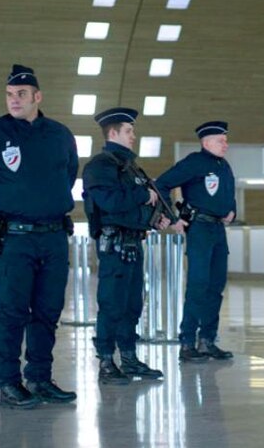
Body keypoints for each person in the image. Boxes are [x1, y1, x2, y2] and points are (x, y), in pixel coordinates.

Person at [0, 64, 79, 408]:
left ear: (37, 97)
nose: (14, 100)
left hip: (54, 237)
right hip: (14, 239)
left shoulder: (59, 134)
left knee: (47, 311)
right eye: (10, 95)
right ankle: (9, 382)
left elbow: (68, 174)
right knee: (12, 312)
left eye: (22, 94)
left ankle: (40, 378)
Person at [83, 107, 171, 385]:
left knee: (133, 304)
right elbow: (110, 203)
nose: (134, 136)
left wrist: (153, 219)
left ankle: (129, 358)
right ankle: (107, 361)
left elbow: (140, 204)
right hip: (114, 244)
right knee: (111, 303)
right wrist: (142, 195)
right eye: (129, 131)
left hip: (134, 241)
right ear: (113, 133)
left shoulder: (131, 167)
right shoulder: (101, 166)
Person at [155, 121, 237, 362]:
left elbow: (229, 194)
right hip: (200, 228)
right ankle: (187, 342)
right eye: (221, 140)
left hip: (218, 230)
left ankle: (207, 340)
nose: (226, 144)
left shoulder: (224, 166)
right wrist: (173, 218)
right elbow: (161, 184)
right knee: (198, 286)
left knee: (216, 287)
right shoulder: (194, 162)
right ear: (206, 142)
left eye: (226, 140)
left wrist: (233, 210)